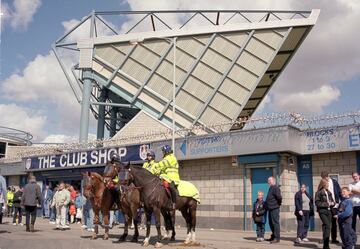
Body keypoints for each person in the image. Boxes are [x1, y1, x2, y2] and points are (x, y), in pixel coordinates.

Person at [155, 145, 180, 210]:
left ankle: (174, 203)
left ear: (166, 151)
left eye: (163, 151)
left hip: (172, 177)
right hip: (166, 176)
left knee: (171, 187)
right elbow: (161, 168)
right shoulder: (165, 158)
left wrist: (156, 166)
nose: (163, 153)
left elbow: (162, 164)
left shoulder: (171, 158)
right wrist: (157, 171)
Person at [321, 171, 341, 244]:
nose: (324, 180)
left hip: (334, 205)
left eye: (324, 178)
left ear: (327, 177)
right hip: (326, 205)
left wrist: (339, 202)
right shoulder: (322, 183)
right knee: (326, 223)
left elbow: (339, 191)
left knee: (334, 222)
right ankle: (325, 239)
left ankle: (334, 238)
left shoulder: (334, 182)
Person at [315, 178, 335, 249]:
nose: (328, 186)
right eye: (327, 184)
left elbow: (332, 200)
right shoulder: (318, 192)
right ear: (323, 184)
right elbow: (317, 203)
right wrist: (327, 204)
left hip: (329, 211)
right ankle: (326, 245)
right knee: (327, 225)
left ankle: (325, 245)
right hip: (322, 211)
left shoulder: (329, 192)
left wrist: (333, 203)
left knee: (327, 227)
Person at [265, 176, 282, 243]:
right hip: (270, 208)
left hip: (274, 208)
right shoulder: (271, 188)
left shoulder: (275, 188)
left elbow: (279, 197)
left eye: (269, 180)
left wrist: (277, 204)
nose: (268, 181)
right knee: (271, 223)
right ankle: (273, 236)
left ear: (273, 180)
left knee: (275, 223)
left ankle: (277, 238)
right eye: (268, 180)